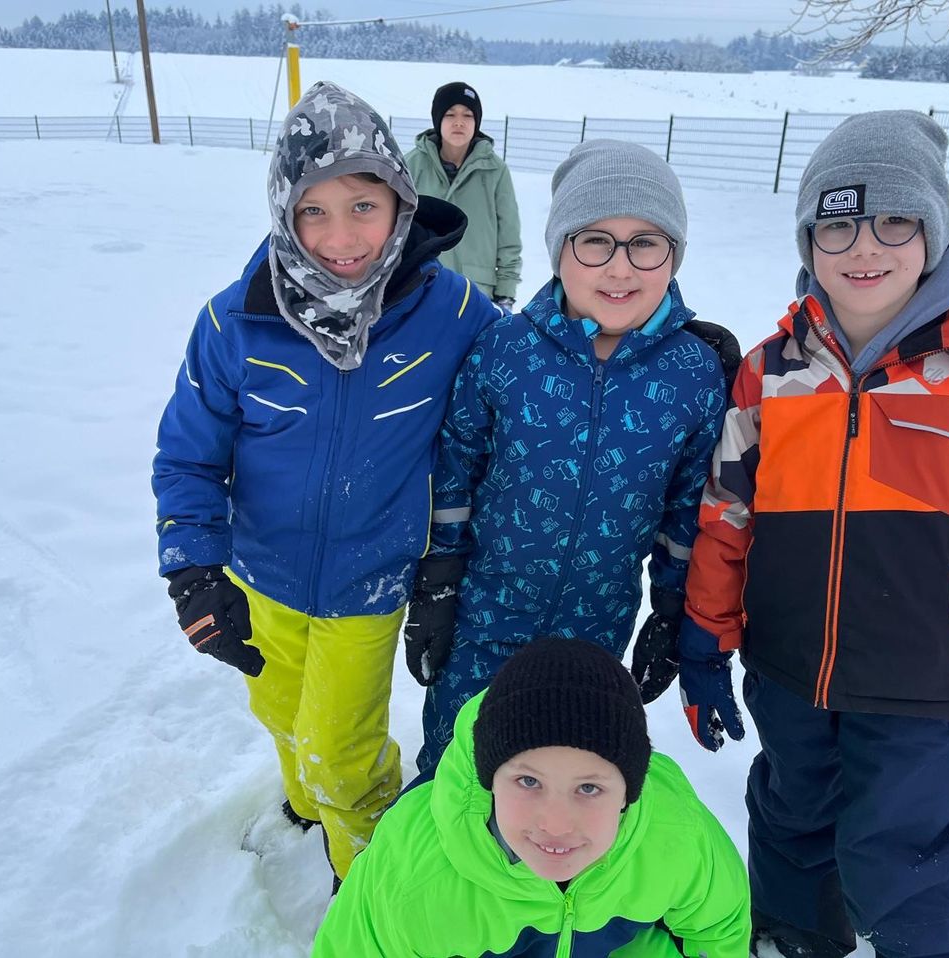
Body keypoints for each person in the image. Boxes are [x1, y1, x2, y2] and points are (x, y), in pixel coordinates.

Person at [681, 111, 949, 958]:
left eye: (894, 221)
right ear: (809, 238)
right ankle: (791, 939)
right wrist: (706, 641)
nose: (865, 247)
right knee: (789, 825)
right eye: (838, 223)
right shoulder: (770, 370)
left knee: (904, 867)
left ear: (931, 232)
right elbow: (726, 519)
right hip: (787, 672)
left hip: (915, 691)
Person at [151, 80, 499, 887]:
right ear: (283, 212)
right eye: (314, 210)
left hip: (369, 581)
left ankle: (368, 882)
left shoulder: (450, 314)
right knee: (278, 712)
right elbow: (188, 454)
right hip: (260, 573)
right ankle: (305, 804)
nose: (340, 236)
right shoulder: (236, 321)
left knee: (345, 757)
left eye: (363, 206)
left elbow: (528, 368)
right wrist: (194, 570)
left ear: (401, 204)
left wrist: (616, 332)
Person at [405, 139, 741, 772]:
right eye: (594, 241)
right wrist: (438, 585)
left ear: (675, 257)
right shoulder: (505, 350)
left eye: (647, 243)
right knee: (455, 769)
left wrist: (671, 610)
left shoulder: (694, 372)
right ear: (560, 251)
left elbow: (687, 511)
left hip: (595, 628)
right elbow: (454, 474)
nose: (620, 269)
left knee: (564, 777)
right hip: (485, 615)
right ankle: (426, 869)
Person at [312, 636, 751, 957]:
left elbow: (719, 928)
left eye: (589, 788)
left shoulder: (674, 834)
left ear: (628, 795)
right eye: (528, 782)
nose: (556, 824)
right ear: (490, 779)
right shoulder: (412, 874)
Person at [406, 81, 521, 311]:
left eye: (467, 115)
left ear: (476, 122)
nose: (459, 122)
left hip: (478, 293)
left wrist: (505, 293)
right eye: (450, 114)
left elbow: (509, 235)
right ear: (438, 119)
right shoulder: (411, 165)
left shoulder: (495, 170)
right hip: (423, 289)